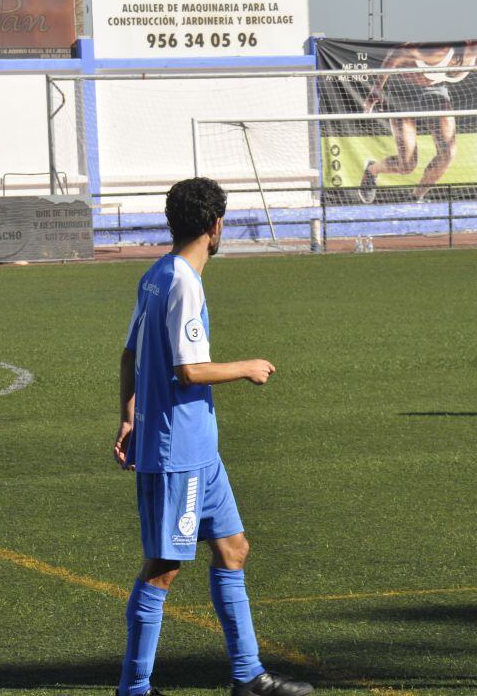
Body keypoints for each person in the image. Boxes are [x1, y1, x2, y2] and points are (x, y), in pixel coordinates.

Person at [112, 177, 313, 696]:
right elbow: (189, 371)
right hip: (177, 451)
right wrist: (247, 366)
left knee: (233, 548)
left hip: (201, 450)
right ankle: (134, 688)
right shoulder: (182, 282)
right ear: (216, 225)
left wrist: (128, 416)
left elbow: (130, 354)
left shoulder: (155, 274)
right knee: (163, 567)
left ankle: (248, 677)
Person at [357, 37, 477, 203]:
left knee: (448, 153)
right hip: (403, 90)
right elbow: (396, 52)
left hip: (435, 91)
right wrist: (376, 89)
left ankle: (415, 198)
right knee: (407, 165)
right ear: (470, 39)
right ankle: (372, 170)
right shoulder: (441, 50)